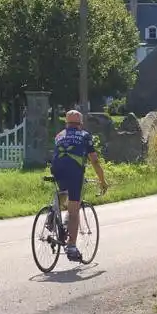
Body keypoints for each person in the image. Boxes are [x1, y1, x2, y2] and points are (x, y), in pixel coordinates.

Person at [49, 109, 108, 261]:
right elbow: (94, 160)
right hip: (74, 171)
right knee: (74, 210)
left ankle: (53, 212)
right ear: (80, 124)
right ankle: (72, 247)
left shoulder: (59, 135)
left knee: (63, 191)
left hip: (56, 168)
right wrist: (102, 180)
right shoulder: (84, 135)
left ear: (66, 123)